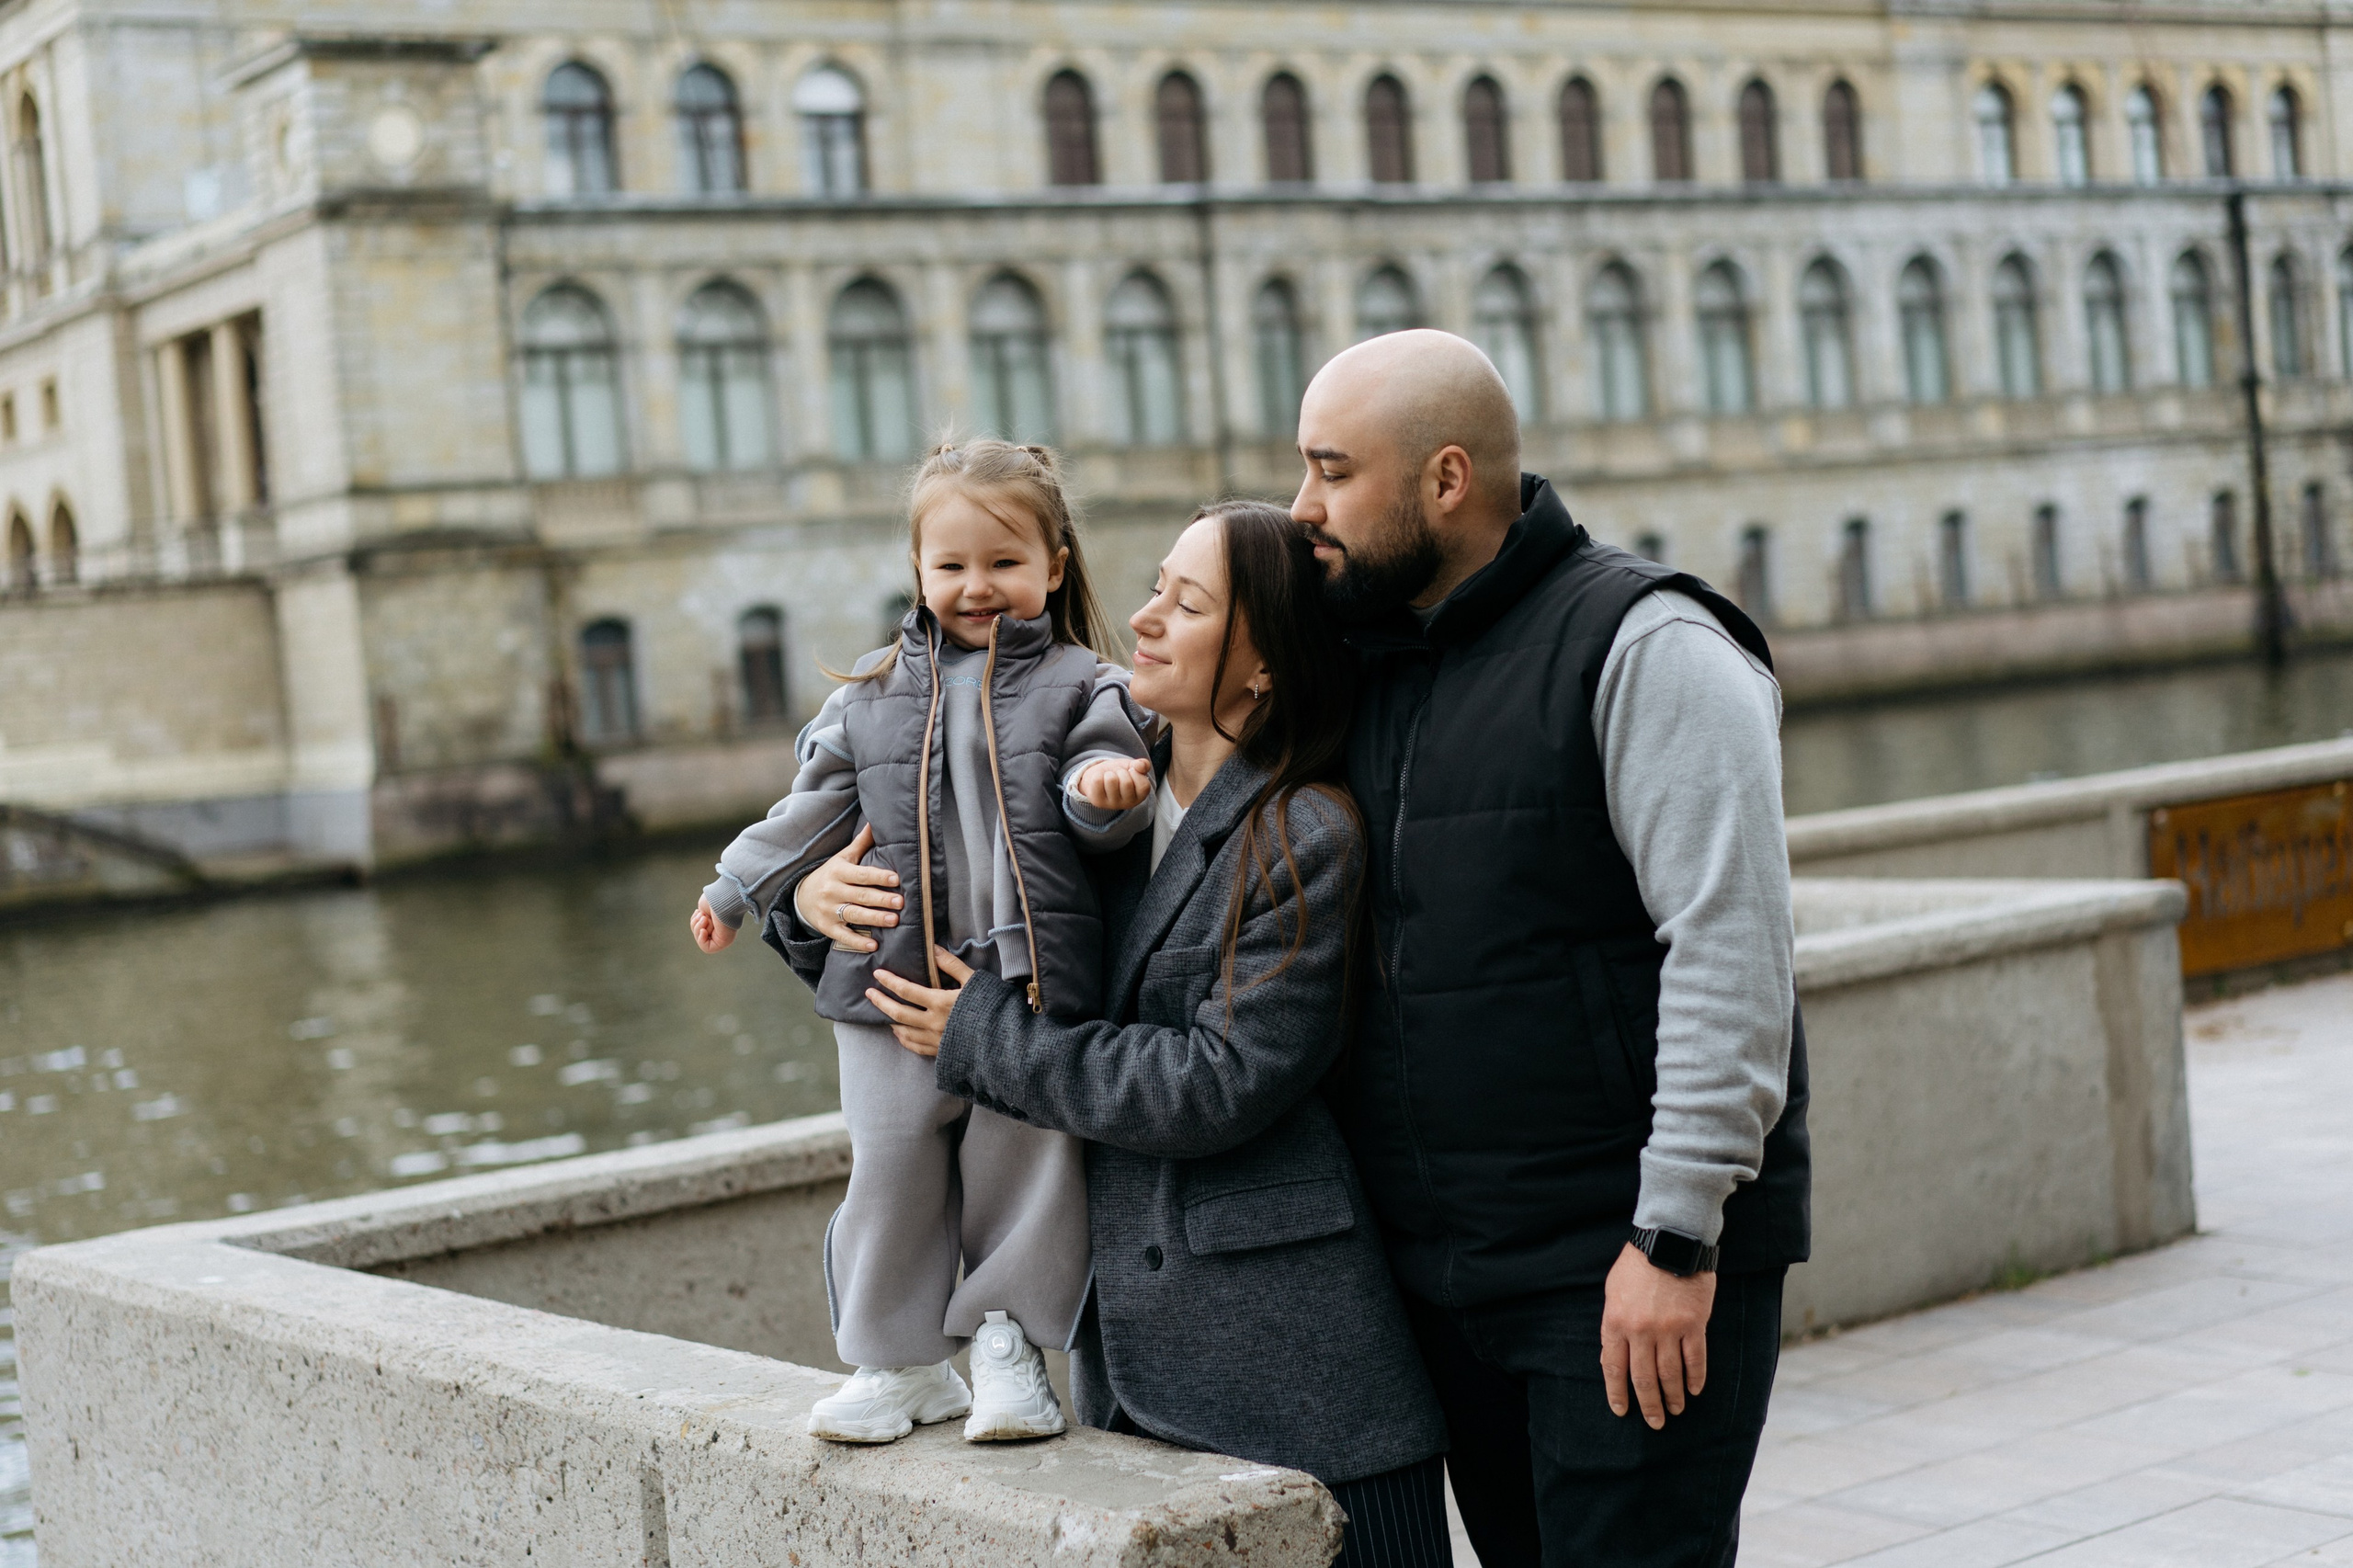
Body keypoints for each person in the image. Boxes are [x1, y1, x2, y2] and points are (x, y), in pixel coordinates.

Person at [812, 502, 1454, 1568]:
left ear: (1262, 666)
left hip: (1298, 1373)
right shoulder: (1086, 787)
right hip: (1132, 1364)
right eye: (1155, 585)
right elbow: (938, 890)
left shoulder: (1306, 830)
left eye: (1186, 602)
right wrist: (810, 897)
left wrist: (989, 1038)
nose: (1143, 618)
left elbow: (1216, 1081)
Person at [1295, 330, 1812, 1568]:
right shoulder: (1365, 658)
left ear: (1445, 479)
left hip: (1624, 1265)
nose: (1302, 506)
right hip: (1449, 1277)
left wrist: (1676, 1237)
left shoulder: (1650, 644)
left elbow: (1732, 951)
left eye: (1331, 470)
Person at [688, 439, 1157, 1445]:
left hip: (1025, 983)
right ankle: (894, 1358)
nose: (976, 587)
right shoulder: (866, 700)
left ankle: (1006, 1343)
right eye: (951, 567)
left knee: (1021, 1164)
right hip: (887, 987)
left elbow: (1103, 785)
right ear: (917, 572)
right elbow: (805, 812)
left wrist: (1106, 794)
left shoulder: (1088, 684)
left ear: (1055, 565)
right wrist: (736, 886)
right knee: (891, 1158)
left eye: (1002, 563)